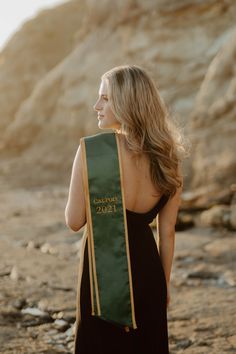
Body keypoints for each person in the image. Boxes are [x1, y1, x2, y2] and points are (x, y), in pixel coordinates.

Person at [65, 64, 186, 354]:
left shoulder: (92, 150)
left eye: (105, 98)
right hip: (148, 274)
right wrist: (164, 286)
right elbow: (167, 233)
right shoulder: (168, 159)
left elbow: (74, 220)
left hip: (102, 272)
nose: (97, 106)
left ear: (127, 102)